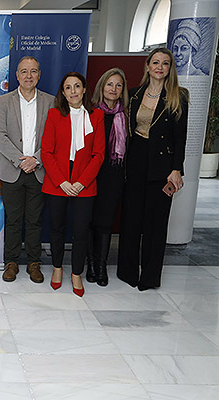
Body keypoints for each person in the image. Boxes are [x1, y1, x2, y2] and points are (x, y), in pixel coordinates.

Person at [117, 47, 189, 291]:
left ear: (170, 68)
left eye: (165, 63)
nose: (160, 67)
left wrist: (177, 169)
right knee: (131, 219)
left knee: (155, 225)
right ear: (147, 66)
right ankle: (127, 271)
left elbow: (180, 137)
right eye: (155, 62)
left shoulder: (179, 96)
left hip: (162, 165)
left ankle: (149, 277)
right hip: (136, 160)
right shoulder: (134, 94)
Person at [41, 72, 105, 297]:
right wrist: (62, 182)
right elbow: (46, 153)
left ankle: (76, 272)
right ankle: (57, 269)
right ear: (63, 92)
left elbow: (98, 155)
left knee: (80, 232)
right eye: (68, 88)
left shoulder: (96, 116)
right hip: (57, 182)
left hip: (84, 184)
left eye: (77, 86)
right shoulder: (54, 115)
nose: (73, 91)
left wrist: (80, 183)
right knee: (56, 228)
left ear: (85, 89)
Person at [0, 56, 54, 284]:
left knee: (35, 220)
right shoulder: (3, 101)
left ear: (39, 74)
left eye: (33, 71)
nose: (29, 76)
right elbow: (0, 136)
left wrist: (36, 160)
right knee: (13, 219)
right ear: (17, 75)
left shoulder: (51, 102)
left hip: (38, 170)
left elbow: (53, 138)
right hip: (12, 170)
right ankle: (10, 262)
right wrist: (21, 161)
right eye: (24, 71)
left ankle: (33, 263)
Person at [85, 68, 129, 287]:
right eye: (110, 84)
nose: (114, 89)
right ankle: (90, 265)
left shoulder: (126, 117)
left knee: (105, 223)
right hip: (91, 175)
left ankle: (100, 266)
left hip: (114, 176)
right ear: (102, 87)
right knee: (88, 221)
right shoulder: (90, 114)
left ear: (122, 91)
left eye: (118, 85)